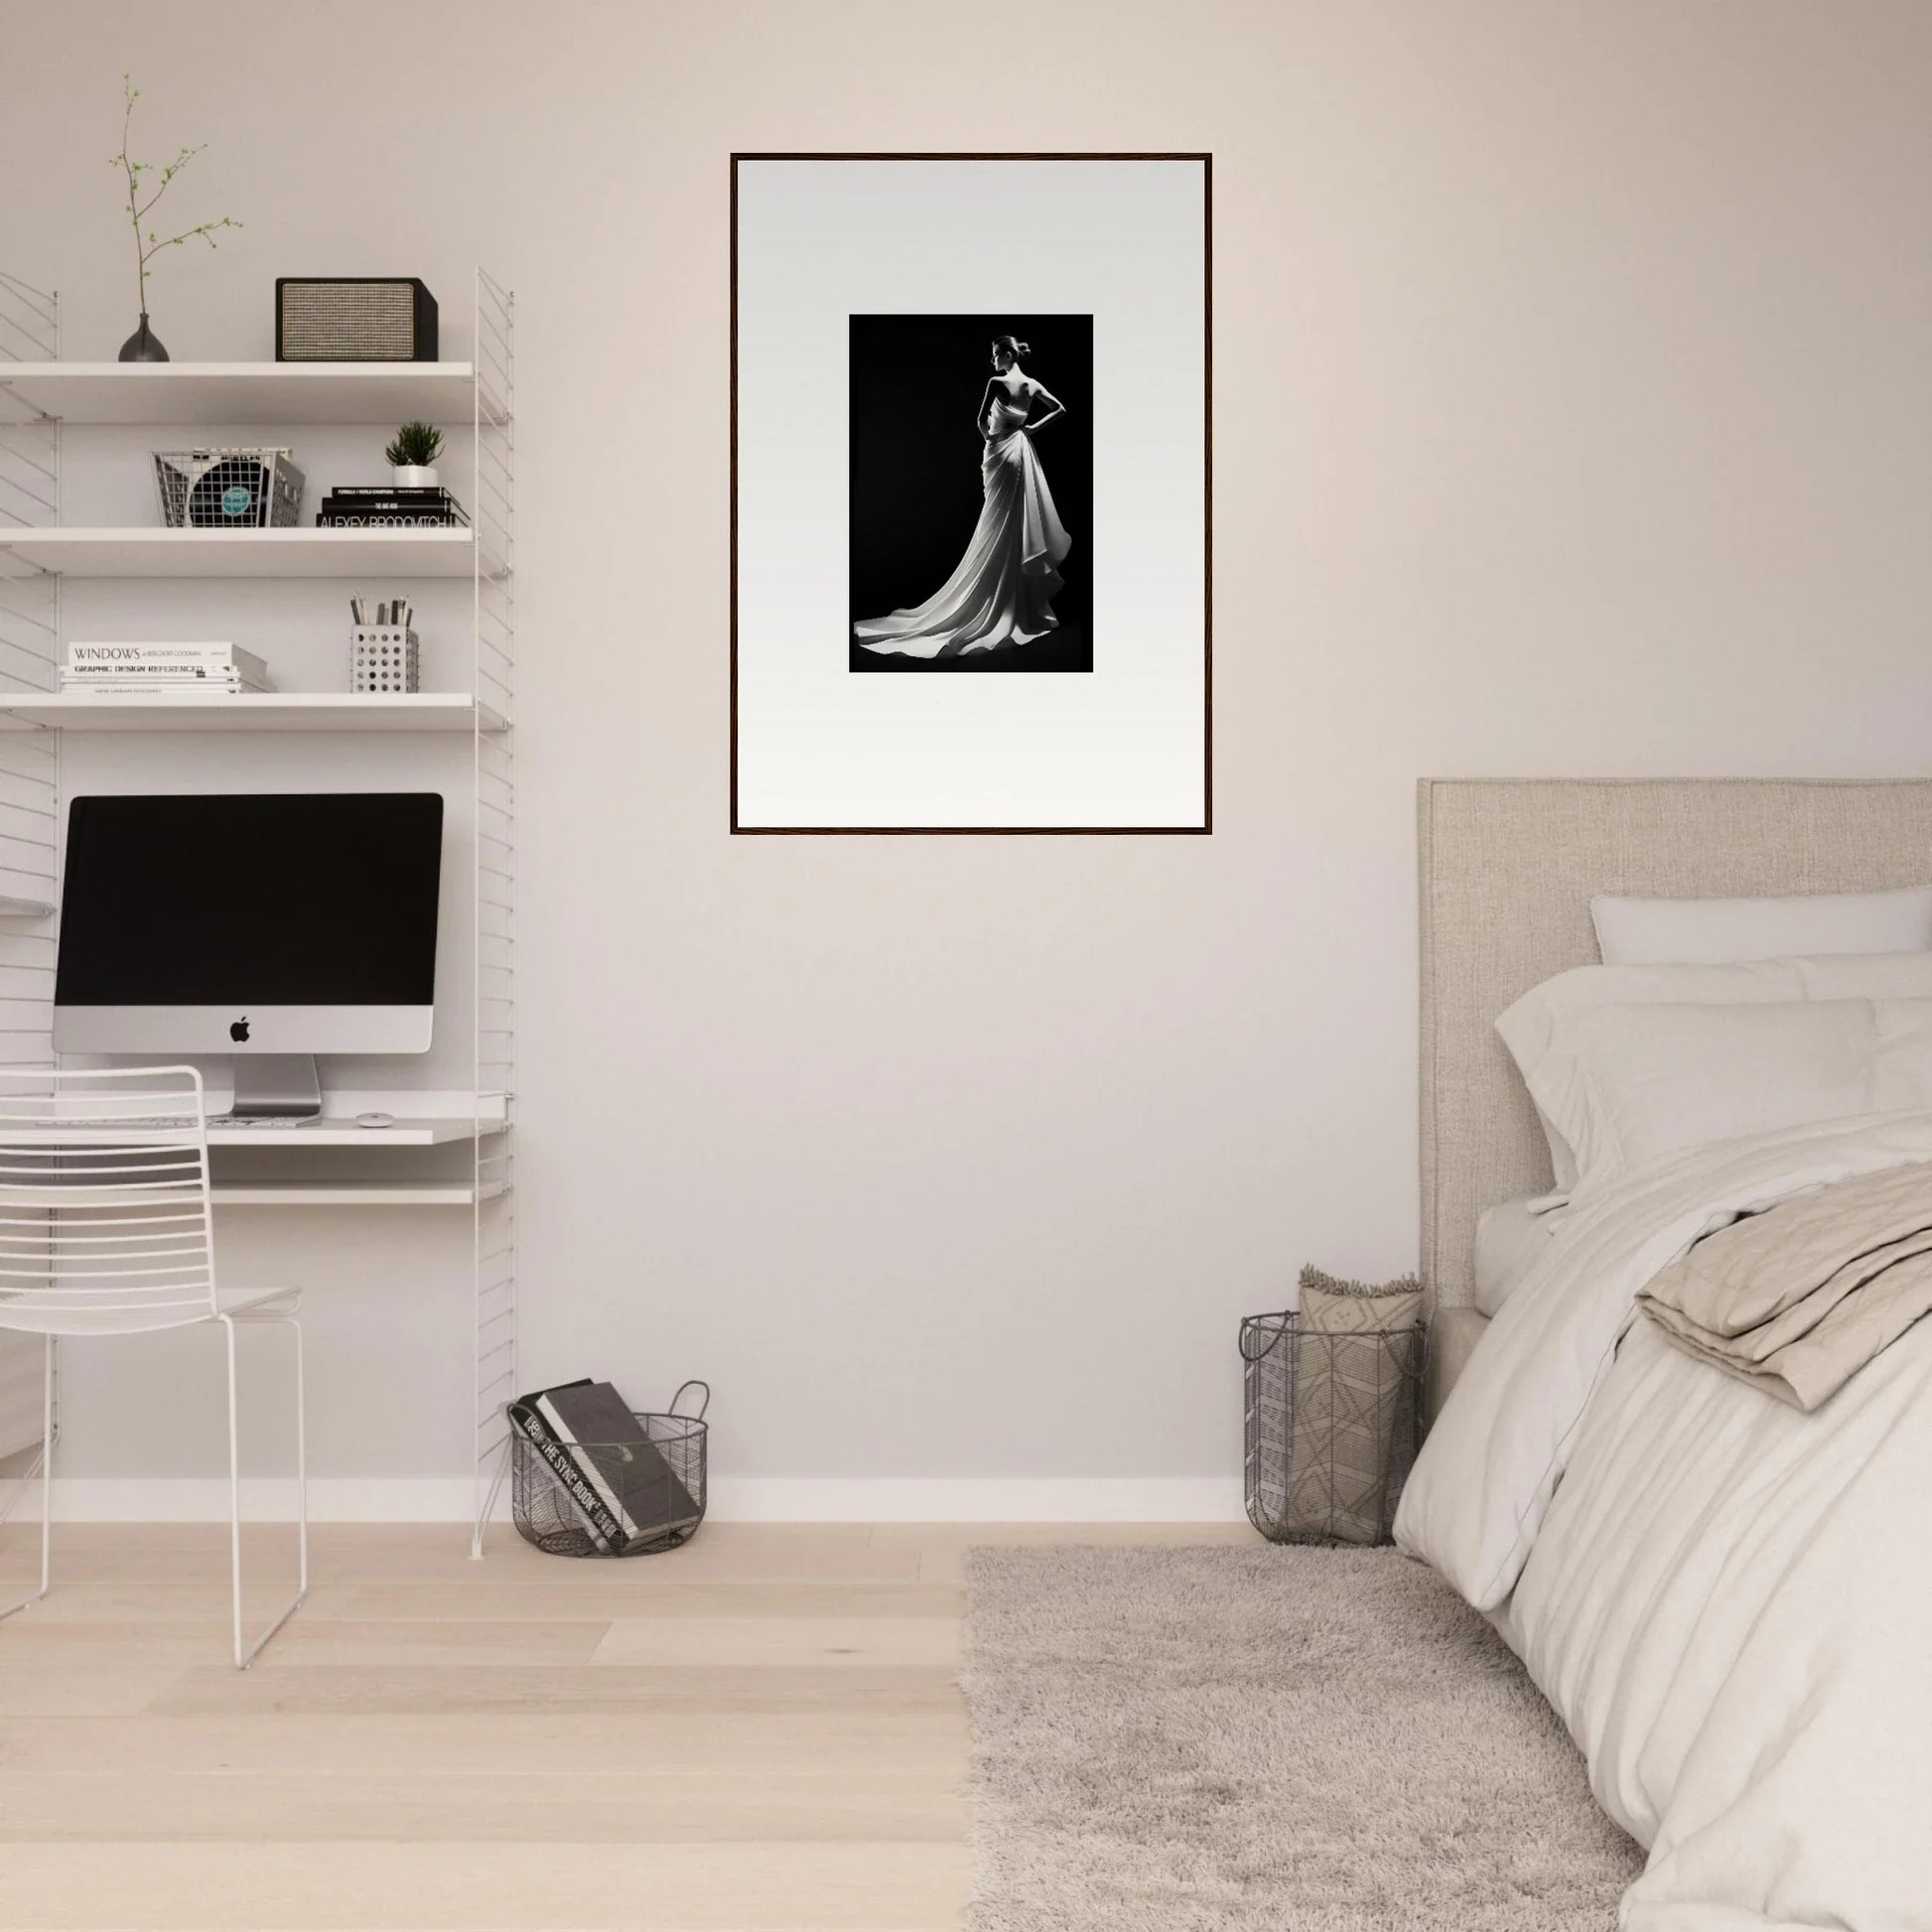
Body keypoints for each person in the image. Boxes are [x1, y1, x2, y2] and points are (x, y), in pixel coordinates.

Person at [855, 336, 1072, 658]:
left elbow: (979, 420)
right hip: (1020, 451)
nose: (993, 361)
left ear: (1009, 354)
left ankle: (996, 600)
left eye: (996, 354)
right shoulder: (1032, 385)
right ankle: (1016, 604)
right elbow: (1061, 409)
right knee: (1014, 525)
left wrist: (992, 440)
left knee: (998, 523)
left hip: (1000, 452)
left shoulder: (997, 382)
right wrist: (1029, 430)